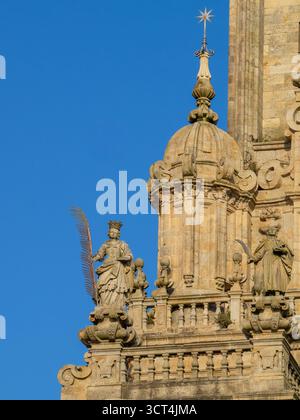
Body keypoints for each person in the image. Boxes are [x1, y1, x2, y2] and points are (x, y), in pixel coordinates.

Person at [93, 221, 133, 308]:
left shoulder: (122, 244)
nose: (113, 233)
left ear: (118, 234)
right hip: (106, 267)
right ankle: (104, 305)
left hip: (118, 267)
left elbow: (129, 256)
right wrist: (92, 259)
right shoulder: (105, 244)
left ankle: (116, 305)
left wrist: (121, 258)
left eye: (115, 232)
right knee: (103, 284)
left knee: (116, 286)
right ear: (108, 233)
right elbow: (100, 255)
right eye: (111, 232)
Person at [249, 225, 294, 296]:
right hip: (267, 262)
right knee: (267, 277)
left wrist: (281, 250)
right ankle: (268, 292)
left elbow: (287, 251)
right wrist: (253, 258)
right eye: (270, 232)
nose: (272, 235)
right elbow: (260, 253)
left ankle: (277, 292)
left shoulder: (279, 242)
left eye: (274, 232)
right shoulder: (265, 243)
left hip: (277, 260)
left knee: (276, 276)